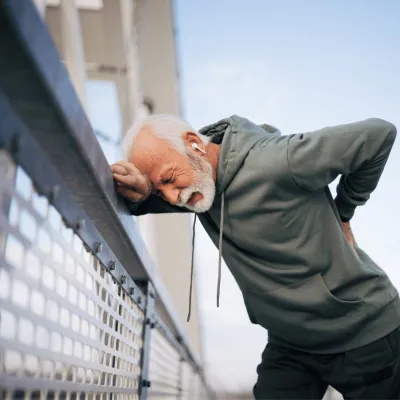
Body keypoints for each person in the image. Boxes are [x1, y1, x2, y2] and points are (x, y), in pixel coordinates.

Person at [111, 114, 399, 399]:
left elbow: (378, 135)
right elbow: (139, 201)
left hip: (363, 332)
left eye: (169, 180)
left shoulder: (277, 161)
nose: (174, 198)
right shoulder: (196, 185)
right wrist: (147, 190)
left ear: (193, 143)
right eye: (163, 193)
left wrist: (345, 210)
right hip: (291, 343)